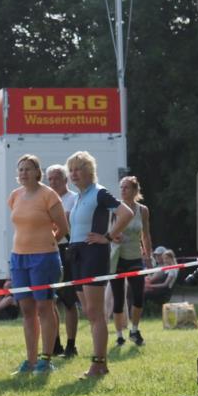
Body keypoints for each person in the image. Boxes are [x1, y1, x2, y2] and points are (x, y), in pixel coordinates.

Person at [66, 151, 135, 378]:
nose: (74, 174)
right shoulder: (78, 197)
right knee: (89, 312)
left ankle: (98, 364)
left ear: (89, 171)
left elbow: (125, 213)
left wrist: (107, 236)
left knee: (95, 313)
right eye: (72, 170)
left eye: (78, 169)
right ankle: (100, 363)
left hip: (93, 254)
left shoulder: (99, 193)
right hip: (76, 254)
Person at [7, 154, 67, 374]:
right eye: (21, 169)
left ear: (37, 172)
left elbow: (62, 228)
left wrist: (48, 244)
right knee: (27, 309)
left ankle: (45, 359)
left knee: (44, 307)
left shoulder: (48, 195)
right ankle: (30, 361)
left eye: (28, 169)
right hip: (18, 257)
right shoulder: (14, 196)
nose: (24, 173)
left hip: (44, 257)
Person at [109, 176, 153, 347]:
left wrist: (148, 256)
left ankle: (134, 330)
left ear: (135, 191)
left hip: (135, 256)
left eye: (126, 187)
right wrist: (113, 236)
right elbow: (107, 230)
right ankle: (119, 334)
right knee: (118, 298)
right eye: (121, 187)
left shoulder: (143, 210)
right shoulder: (114, 208)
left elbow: (146, 234)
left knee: (138, 296)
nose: (123, 190)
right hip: (117, 257)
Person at [46, 163, 79, 358]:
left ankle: (71, 344)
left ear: (65, 180)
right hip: (49, 250)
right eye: (50, 179)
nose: (53, 182)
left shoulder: (73, 200)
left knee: (68, 300)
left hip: (67, 251)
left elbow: (63, 225)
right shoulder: (47, 200)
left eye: (57, 178)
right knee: (50, 300)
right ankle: (55, 343)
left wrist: (50, 238)